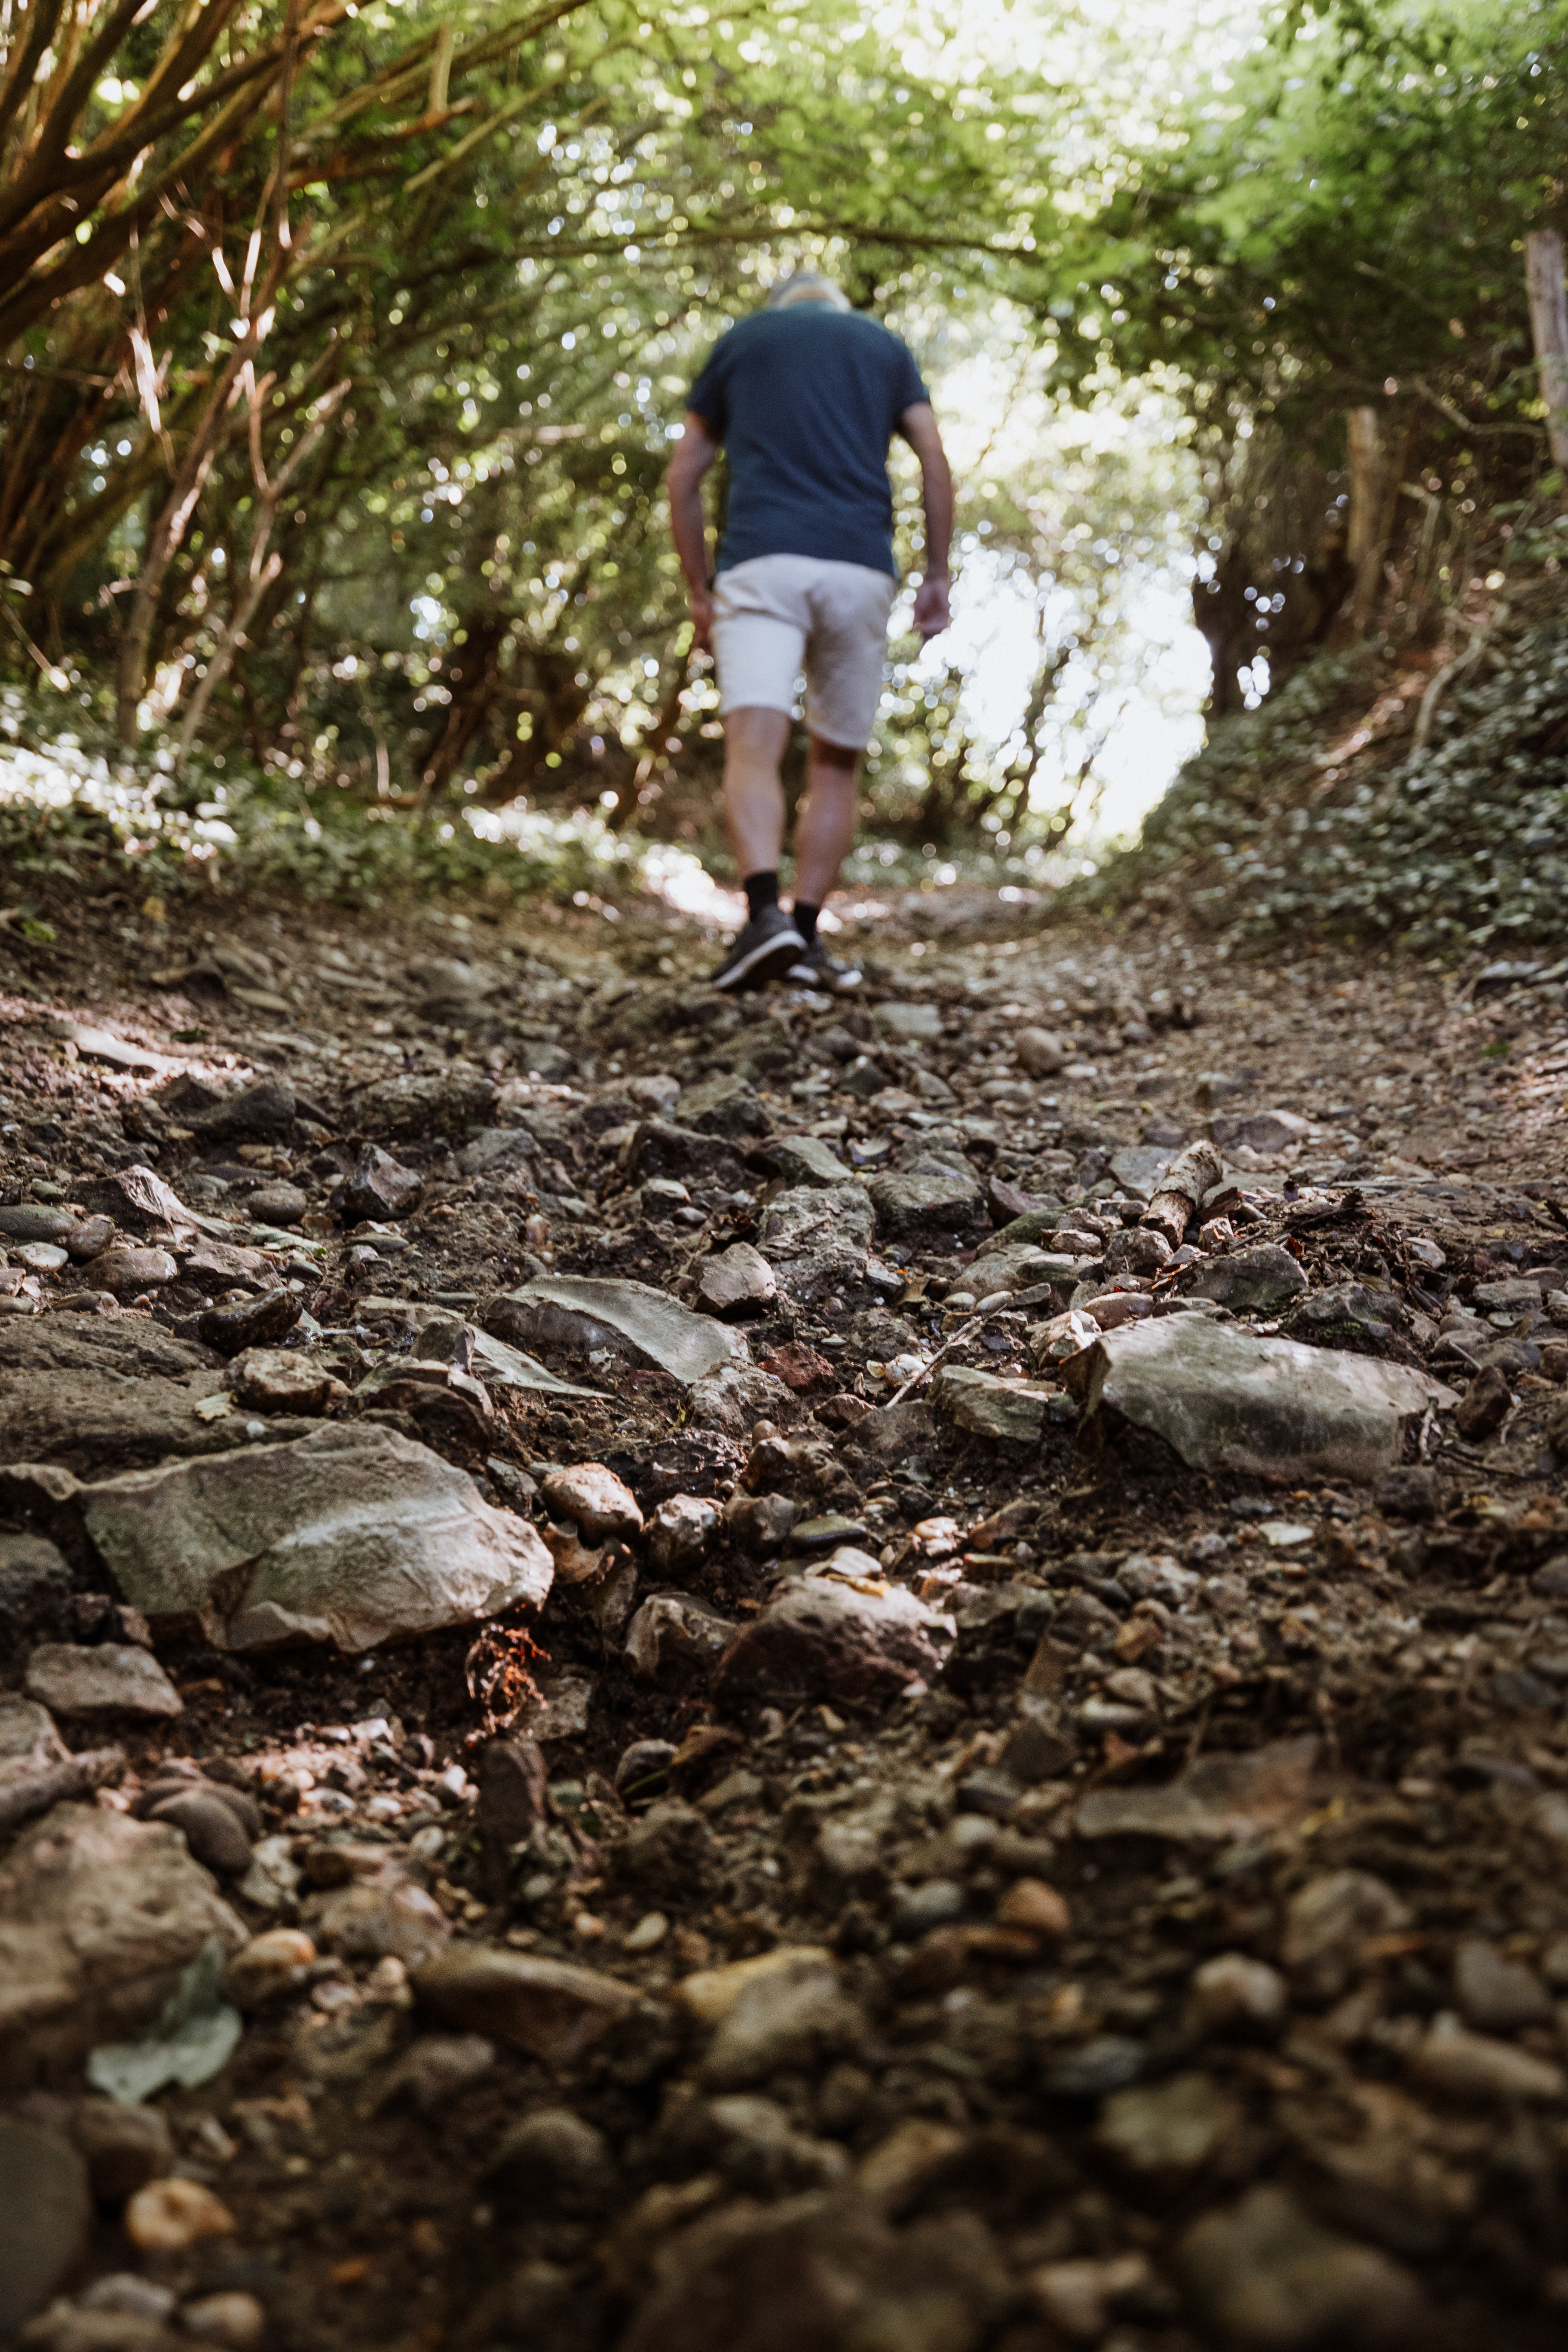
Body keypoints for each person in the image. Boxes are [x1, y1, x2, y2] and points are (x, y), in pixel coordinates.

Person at [665, 271, 954, 991]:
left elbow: (684, 477)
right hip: (858, 568)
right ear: (838, 306)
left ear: (781, 305)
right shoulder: (884, 348)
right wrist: (937, 573)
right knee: (835, 763)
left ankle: (763, 918)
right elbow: (932, 458)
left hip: (760, 562)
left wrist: (699, 591)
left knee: (753, 745)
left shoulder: (743, 341)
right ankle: (805, 934)